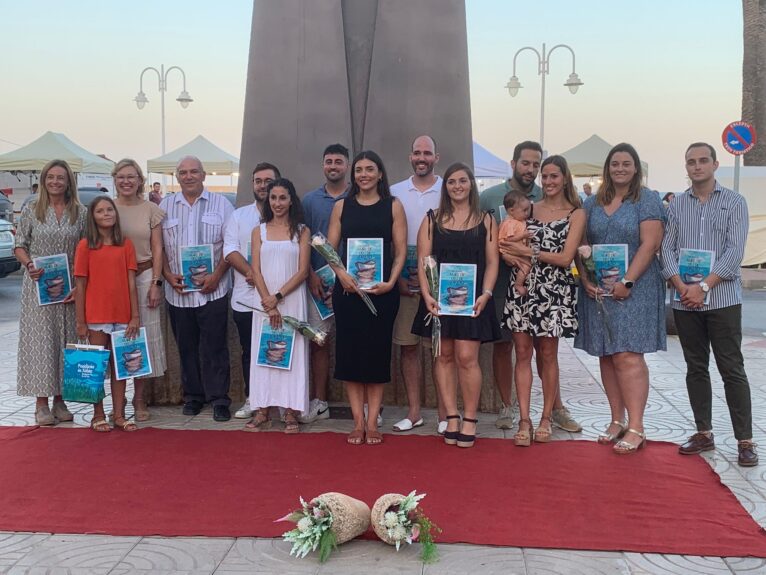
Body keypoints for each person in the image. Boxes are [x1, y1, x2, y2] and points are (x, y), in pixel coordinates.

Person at [661, 142, 757, 467]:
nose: (697, 166)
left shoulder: (734, 202)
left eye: (703, 161)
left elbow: (734, 252)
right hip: (685, 302)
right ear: (686, 167)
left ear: (715, 164)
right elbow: (667, 250)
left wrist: (703, 286)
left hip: (723, 300)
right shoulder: (676, 206)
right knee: (695, 368)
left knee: (732, 369)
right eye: (691, 162)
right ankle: (704, 432)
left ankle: (745, 440)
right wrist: (680, 285)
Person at [481, 141, 582, 433]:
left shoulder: (544, 204)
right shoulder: (492, 198)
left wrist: (527, 254)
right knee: (509, 349)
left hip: (550, 290)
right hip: (509, 286)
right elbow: (489, 240)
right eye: (527, 163)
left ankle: (553, 411)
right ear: (513, 163)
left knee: (547, 353)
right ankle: (510, 408)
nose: (534, 171)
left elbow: (567, 253)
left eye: (539, 167)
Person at [575, 143, 665, 454]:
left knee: (628, 354)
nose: (620, 168)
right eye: (615, 163)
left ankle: (637, 425)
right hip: (600, 290)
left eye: (627, 163)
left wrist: (627, 281)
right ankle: (616, 420)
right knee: (606, 353)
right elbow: (581, 241)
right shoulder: (592, 203)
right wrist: (584, 278)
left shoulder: (648, 200)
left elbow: (650, 244)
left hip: (634, 288)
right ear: (607, 168)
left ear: (636, 168)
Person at [412, 162, 500, 448]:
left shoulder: (486, 220)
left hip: (472, 301)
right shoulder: (431, 219)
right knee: (444, 356)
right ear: (445, 186)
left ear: (471, 184)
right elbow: (423, 262)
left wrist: (486, 294)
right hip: (439, 300)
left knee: (466, 357)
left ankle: (470, 418)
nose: (458, 186)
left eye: (463, 181)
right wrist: (427, 296)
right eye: (452, 181)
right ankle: (451, 416)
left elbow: (492, 263)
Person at [327, 150, 406, 445]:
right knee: (350, 357)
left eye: (369, 169)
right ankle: (357, 422)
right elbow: (328, 249)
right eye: (359, 170)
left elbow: (399, 252)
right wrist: (341, 274)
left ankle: (373, 421)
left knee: (376, 356)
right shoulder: (341, 207)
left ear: (380, 173)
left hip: (382, 294)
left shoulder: (393, 206)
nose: (363, 174)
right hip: (348, 293)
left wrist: (391, 282)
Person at [160, 156, 235, 421]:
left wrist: (217, 275)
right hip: (177, 293)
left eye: (194, 172)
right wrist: (167, 275)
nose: (189, 176)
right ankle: (193, 396)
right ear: (177, 177)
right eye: (183, 172)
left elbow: (231, 245)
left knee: (215, 346)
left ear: (204, 175)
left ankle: (219, 399)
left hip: (212, 290)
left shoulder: (221, 205)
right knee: (186, 347)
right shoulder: (165, 206)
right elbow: (158, 248)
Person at [14, 160, 86, 426]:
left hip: (68, 289)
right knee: (41, 344)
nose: (56, 182)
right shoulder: (32, 209)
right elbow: (19, 245)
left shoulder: (80, 212)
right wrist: (29, 264)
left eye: (61, 178)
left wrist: (80, 285)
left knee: (64, 343)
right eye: (51, 177)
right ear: (44, 180)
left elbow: (85, 250)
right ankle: (41, 404)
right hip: (37, 288)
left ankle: (60, 400)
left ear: (69, 182)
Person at [244, 179, 310, 432]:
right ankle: (263, 409)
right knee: (264, 354)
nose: (278, 203)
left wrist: (279, 297)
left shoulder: (302, 231)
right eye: (273, 198)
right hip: (264, 303)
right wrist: (268, 303)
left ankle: (291, 410)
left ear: (291, 200)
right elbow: (256, 270)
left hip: (291, 301)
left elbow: (303, 271)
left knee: (291, 354)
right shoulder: (258, 231)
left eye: (283, 198)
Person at [389, 135, 445, 434]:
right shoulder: (394, 191)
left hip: (440, 284)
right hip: (405, 283)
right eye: (417, 153)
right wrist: (396, 276)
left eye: (427, 153)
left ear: (437, 157)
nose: (422, 157)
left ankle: (445, 413)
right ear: (410, 156)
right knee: (408, 349)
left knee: (439, 349)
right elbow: (389, 238)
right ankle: (414, 412)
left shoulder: (448, 189)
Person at [74, 197, 140, 432]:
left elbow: (132, 283)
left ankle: (119, 414)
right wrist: (81, 321)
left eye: (109, 209)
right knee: (96, 368)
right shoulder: (85, 246)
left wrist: (135, 316)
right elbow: (80, 285)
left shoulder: (126, 245)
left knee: (120, 369)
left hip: (122, 315)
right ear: (93, 217)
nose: (106, 214)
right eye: (100, 211)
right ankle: (98, 414)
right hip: (96, 316)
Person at [224, 162, 281, 420]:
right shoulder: (239, 216)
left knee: (278, 348)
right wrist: (251, 273)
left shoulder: (286, 217)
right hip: (246, 299)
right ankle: (253, 399)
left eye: (268, 180)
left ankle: (281, 400)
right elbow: (230, 250)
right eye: (258, 180)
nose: (262, 185)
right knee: (249, 351)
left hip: (278, 299)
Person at [112, 159, 167, 422]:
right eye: (121, 177)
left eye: (131, 177)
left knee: (142, 338)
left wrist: (156, 282)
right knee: (117, 339)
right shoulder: (106, 208)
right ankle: (118, 398)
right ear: (115, 179)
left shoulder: (151, 209)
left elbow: (158, 248)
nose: (126, 181)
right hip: (114, 281)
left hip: (145, 276)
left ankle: (140, 397)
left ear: (139, 180)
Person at [299, 145, 349, 424]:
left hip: (352, 282)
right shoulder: (309, 201)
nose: (333, 166)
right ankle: (320, 401)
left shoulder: (357, 197)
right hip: (319, 285)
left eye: (338, 162)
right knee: (319, 343)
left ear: (347, 165)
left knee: (355, 341)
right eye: (328, 161)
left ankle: (365, 403)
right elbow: (302, 240)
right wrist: (310, 274)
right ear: (323, 166)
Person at [498, 192, 533, 296]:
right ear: (511, 211)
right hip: (511, 253)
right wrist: (523, 236)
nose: (527, 213)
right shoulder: (509, 223)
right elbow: (508, 240)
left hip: (519, 251)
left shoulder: (520, 221)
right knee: (527, 265)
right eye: (524, 210)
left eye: (528, 209)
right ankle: (518, 284)